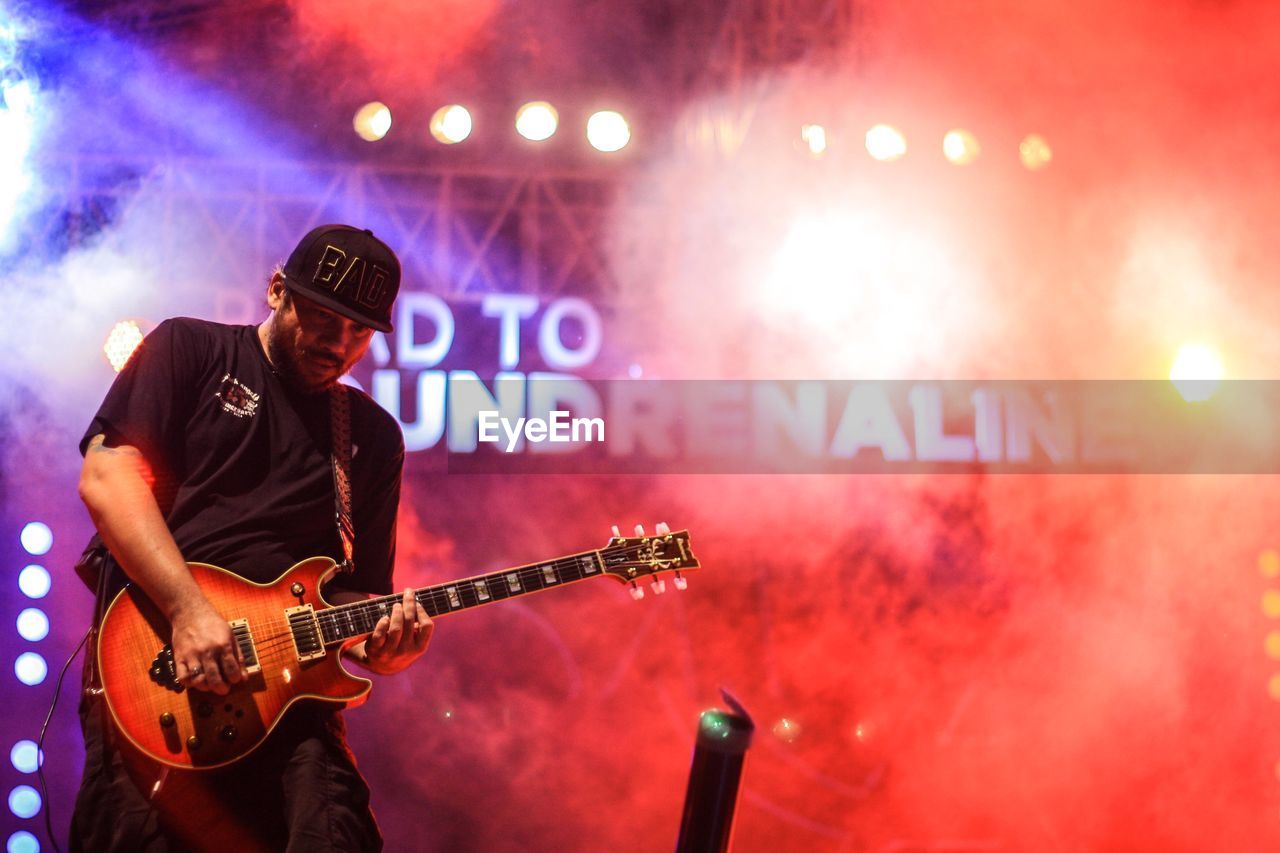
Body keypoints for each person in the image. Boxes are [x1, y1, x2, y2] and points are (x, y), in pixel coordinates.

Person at [71, 225, 431, 852]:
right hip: (159, 674)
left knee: (336, 833)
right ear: (276, 290)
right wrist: (188, 611)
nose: (339, 344)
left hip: (291, 707)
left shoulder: (371, 438)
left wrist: (387, 648)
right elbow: (107, 478)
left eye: (359, 332)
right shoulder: (190, 348)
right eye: (325, 318)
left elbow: (360, 597)